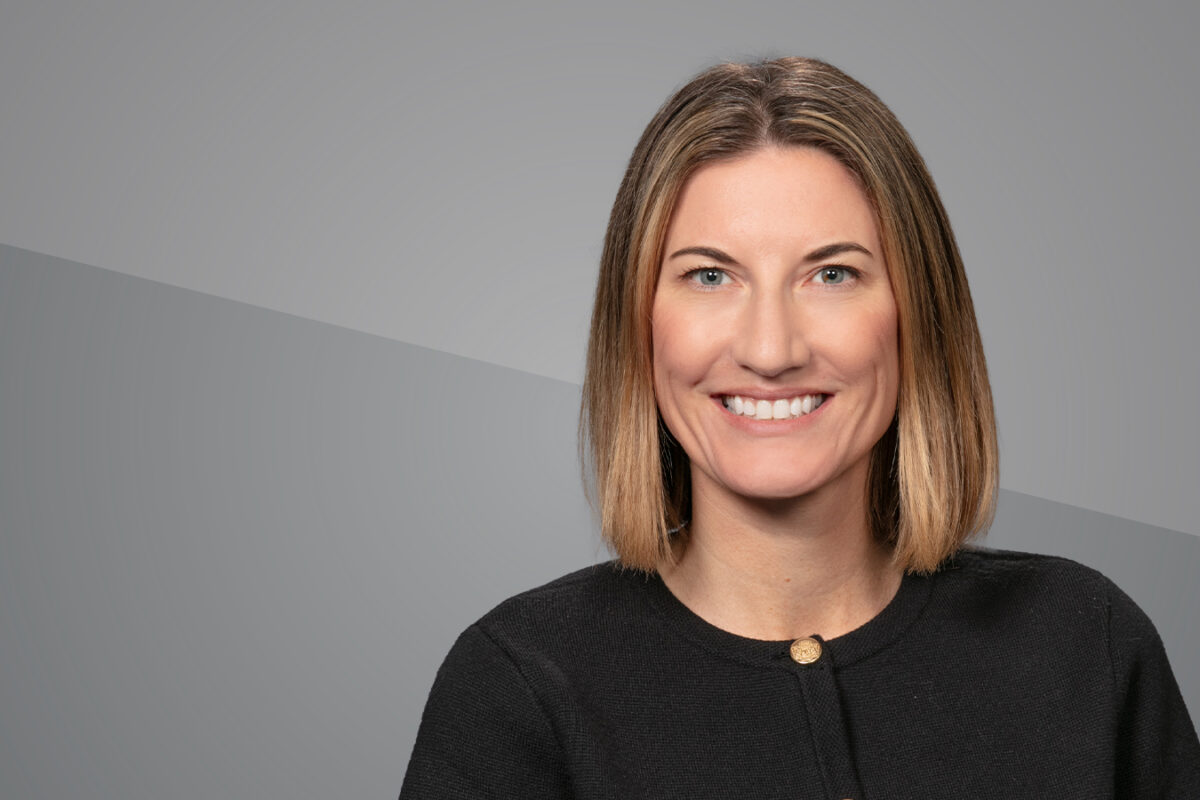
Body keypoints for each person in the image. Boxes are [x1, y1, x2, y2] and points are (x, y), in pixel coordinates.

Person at [399, 57, 1200, 799]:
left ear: (916, 316)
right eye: (709, 276)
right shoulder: (519, 688)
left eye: (832, 274)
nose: (771, 350)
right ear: (637, 324)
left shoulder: (1082, 648)